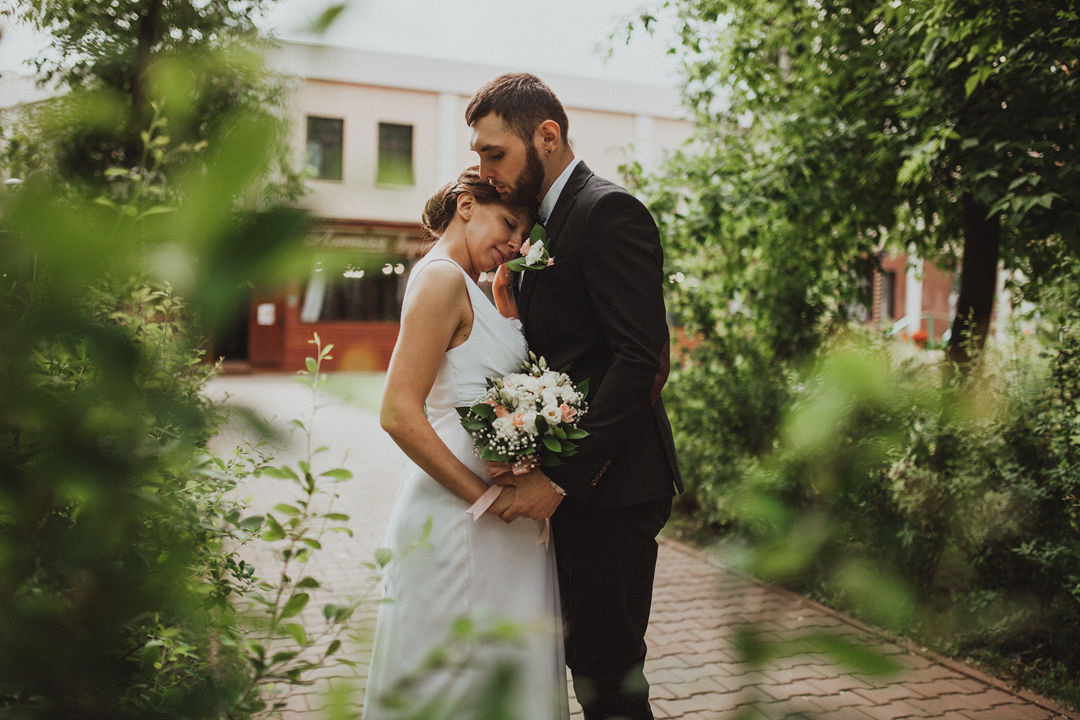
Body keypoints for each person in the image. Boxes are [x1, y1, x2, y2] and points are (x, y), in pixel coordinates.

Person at [467, 73, 684, 720]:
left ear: (547, 136)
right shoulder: (544, 225)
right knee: (588, 664)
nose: (484, 171)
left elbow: (641, 360)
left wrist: (560, 478)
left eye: (495, 153)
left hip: (615, 488)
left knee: (608, 678)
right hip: (584, 489)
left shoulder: (607, 211)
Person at [362, 167, 570, 720]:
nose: (516, 243)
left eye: (524, 234)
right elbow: (398, 412)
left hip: (499, 522)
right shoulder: (440, 280)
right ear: (467, 206)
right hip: (461, 515)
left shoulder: (471, 286)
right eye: (509, 223)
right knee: (455, 683)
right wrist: (486, 498)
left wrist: (504, 305)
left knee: (494, 671)